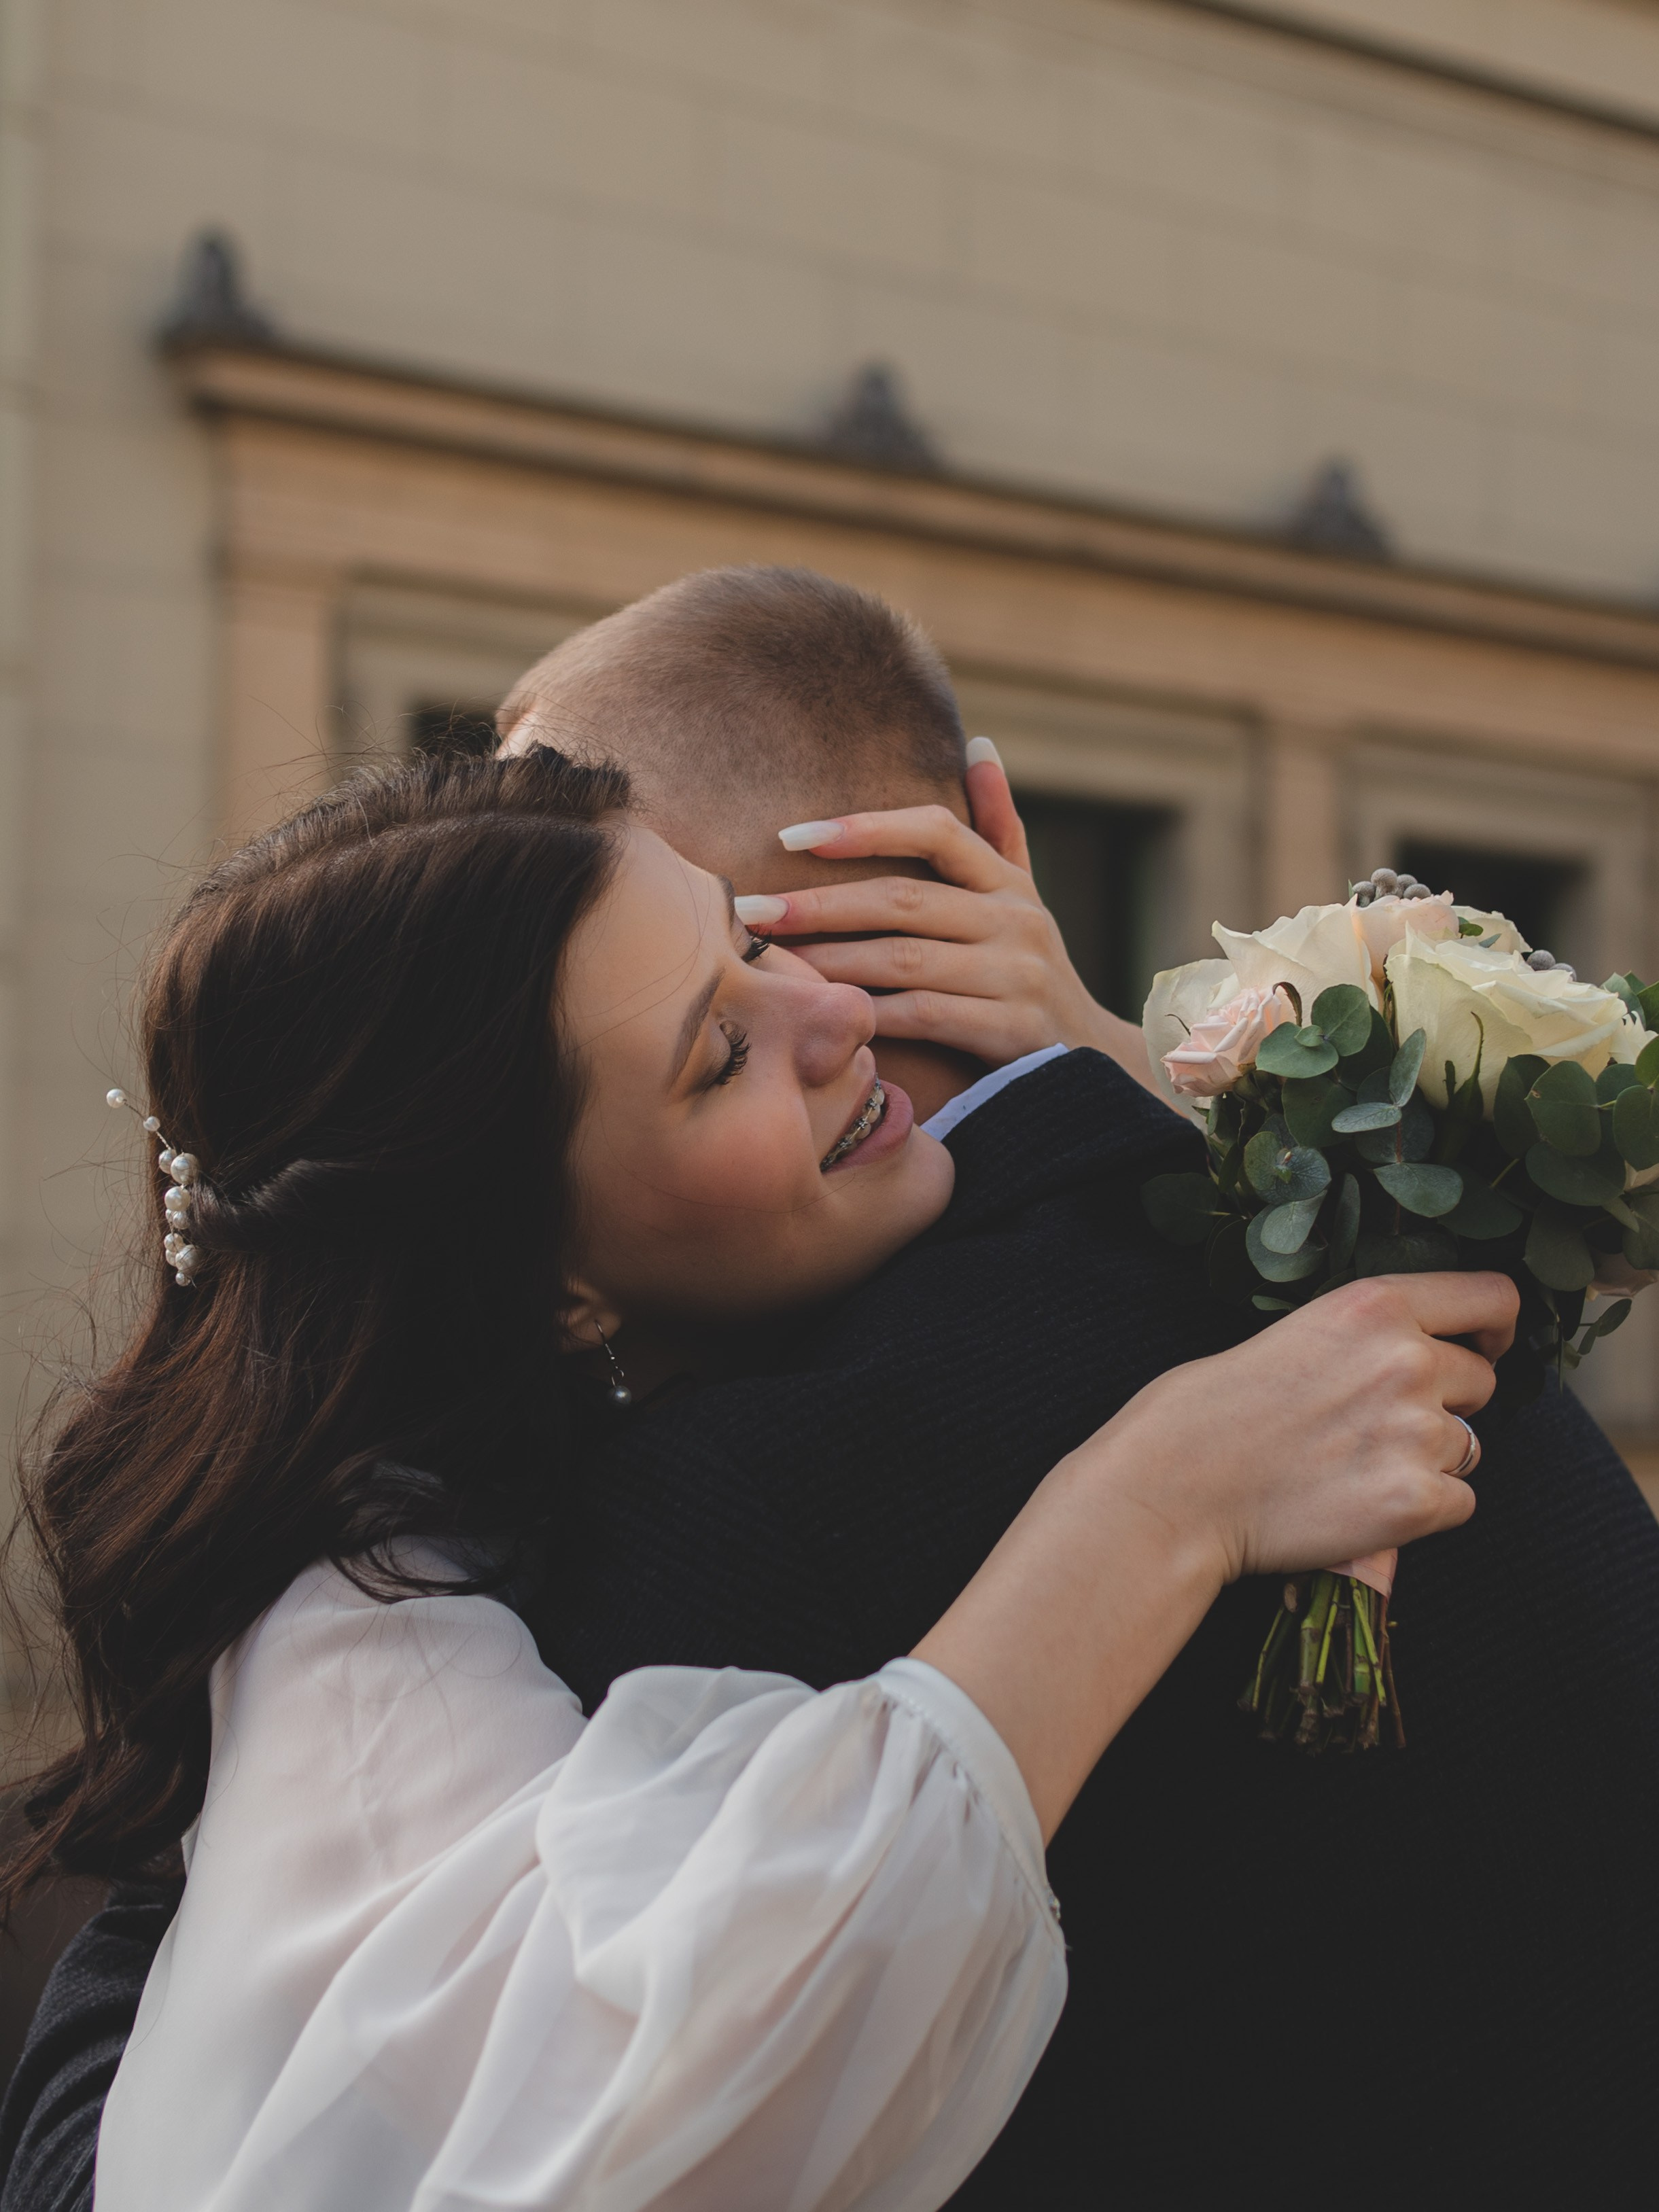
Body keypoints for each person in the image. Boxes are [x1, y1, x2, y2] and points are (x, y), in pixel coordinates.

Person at [7, 569, 1659, 2204]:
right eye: (715, 1041)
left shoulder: (729, 1506)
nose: (826, 1013)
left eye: (747, 949)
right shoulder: (1353, 1237)